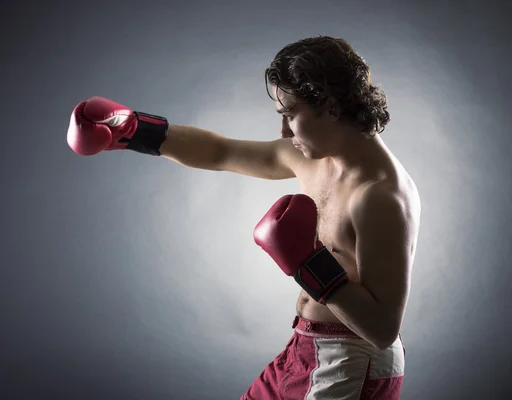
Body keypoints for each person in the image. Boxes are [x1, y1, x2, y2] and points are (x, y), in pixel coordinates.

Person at [67, 36, 421, 400]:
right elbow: (222, 152)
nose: (284, 132)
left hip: (352, 362)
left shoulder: (380, 196)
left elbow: (382, 329)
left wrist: (309, 264)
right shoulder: (313, 158)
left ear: (330, 107)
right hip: (303, 345)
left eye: (290, 115)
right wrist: (135, 130)